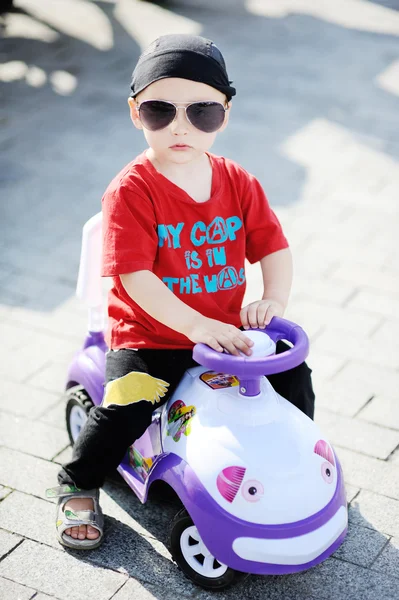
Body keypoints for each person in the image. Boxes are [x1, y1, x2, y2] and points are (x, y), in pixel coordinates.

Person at [47, 34, 315, 549]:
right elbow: (135, 277)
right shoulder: (131, 190)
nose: (180, 126)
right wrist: (196, 326)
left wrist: (272, 301)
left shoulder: (238, 182)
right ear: (135, 113)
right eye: (159, 110)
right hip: (152, 337)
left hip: (227, 332)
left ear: (226, 113)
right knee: (128, 403)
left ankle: (291, 462)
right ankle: (77, 481)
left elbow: (274, 248)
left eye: (202, 113)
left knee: (293, 374)